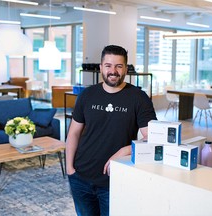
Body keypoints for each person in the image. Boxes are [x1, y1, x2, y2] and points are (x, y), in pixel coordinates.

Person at [66, 45, 157, 216]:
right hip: (80, 177)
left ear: (126, 68)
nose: (113, 71)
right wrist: (70, 169)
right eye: (108, 65)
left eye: (118, 66)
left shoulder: (139, 98)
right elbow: (73, 133)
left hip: (114, 180)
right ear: (101, 67)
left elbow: (152, 137)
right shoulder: (87, 94)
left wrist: (126, 149)